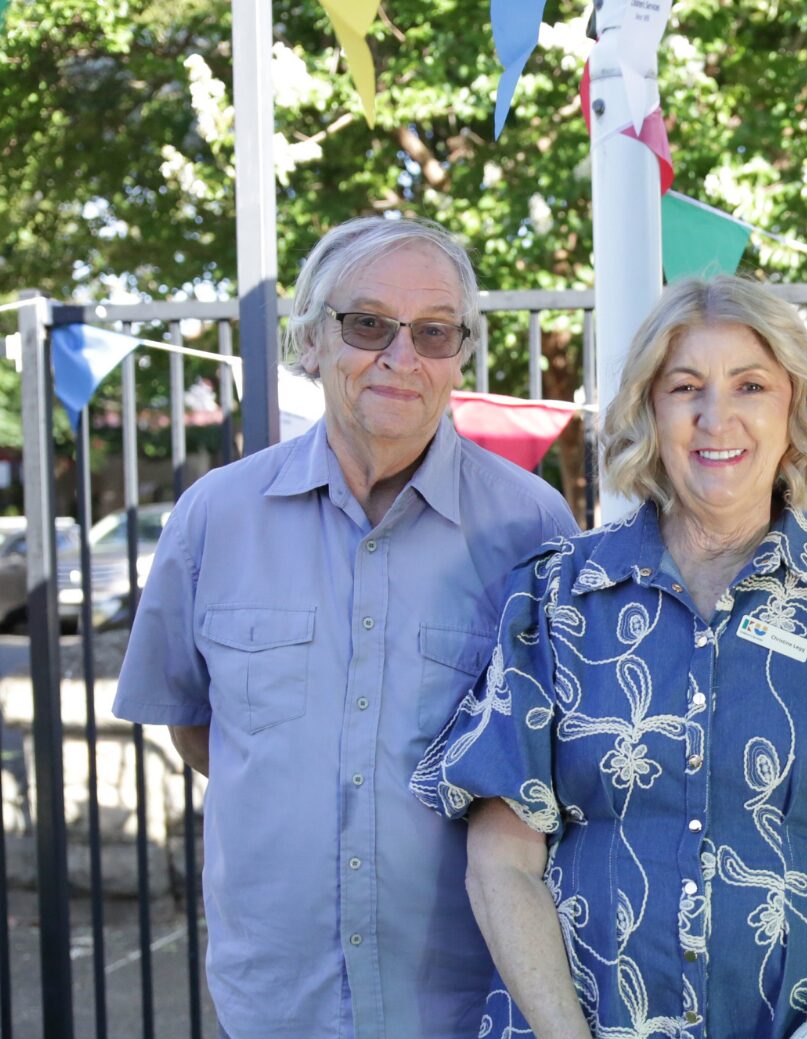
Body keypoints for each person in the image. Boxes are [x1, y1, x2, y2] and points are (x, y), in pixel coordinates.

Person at [411, 275, 807, 1039]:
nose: (715, 416)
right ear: (648, 411)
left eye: (750, 384)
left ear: (796, 405)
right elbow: (502, 863)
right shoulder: (556, 597)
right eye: (684, 385)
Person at [113, 216, 578, 1038]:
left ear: (460, 352)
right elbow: (196, 727)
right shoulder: (214, 516)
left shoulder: (534, 527)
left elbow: (561, 760)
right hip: (275, 1002)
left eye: (433, 332)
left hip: (467, 1002)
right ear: (311, 339)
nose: (402, 357)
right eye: (368, 324)